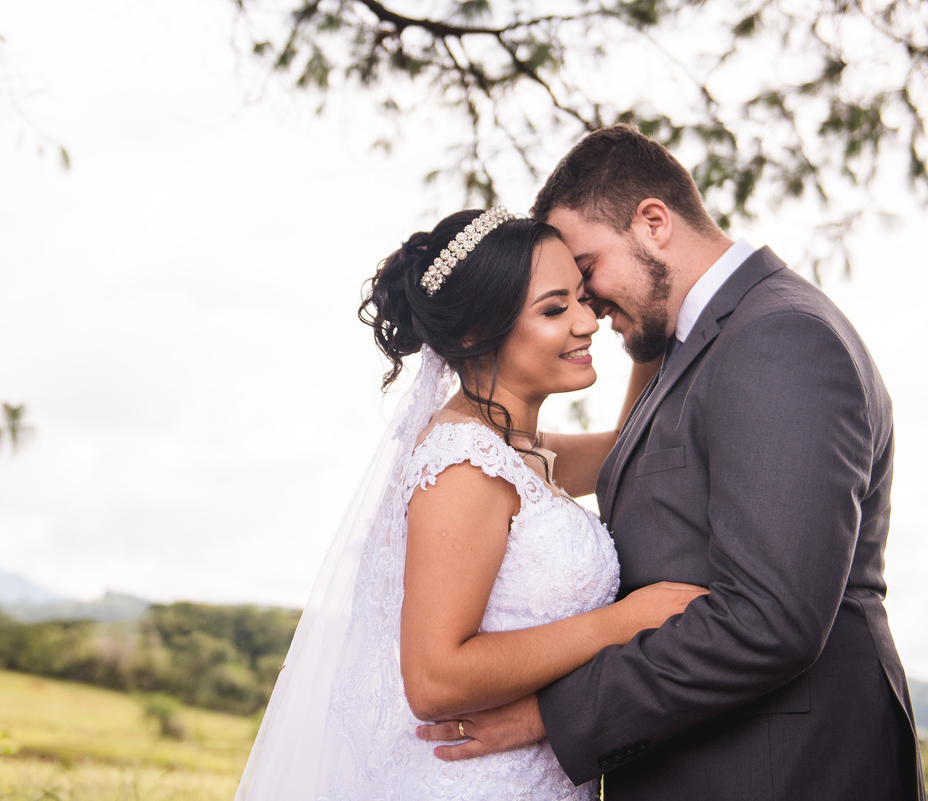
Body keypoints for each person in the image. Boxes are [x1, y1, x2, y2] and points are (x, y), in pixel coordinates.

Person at [418, 124, 925, 800]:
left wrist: (548, 716)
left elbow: (770, 620)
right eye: (560, 298)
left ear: (654, 222)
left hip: (779, 772)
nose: (589, 308)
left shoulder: (778, 337)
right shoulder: (696, 347)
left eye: (587, 270)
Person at [234, 207, 708, 800]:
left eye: (584, 299)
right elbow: (435, 678)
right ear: (473, 334)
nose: (587, 321)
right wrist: (620, 623)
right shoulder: (465, 464)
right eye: (554, 309)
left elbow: (625, 447)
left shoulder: (514, 449)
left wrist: (651, 321)